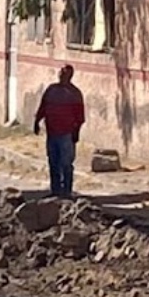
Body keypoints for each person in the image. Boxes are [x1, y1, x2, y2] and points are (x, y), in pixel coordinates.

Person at [34, 64, 86, 198]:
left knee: (66, 163)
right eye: (61, 72)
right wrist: (36, 122)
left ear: (70, 75)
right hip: (52, 133)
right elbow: (43, 107)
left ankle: (66, 191)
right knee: (53, 161)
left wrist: (76, 133)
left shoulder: (75, 94)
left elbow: (80, 117)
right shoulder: (51, 90)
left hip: (66, 134)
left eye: (65, 73)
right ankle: (55, 190)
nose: (62, 75)